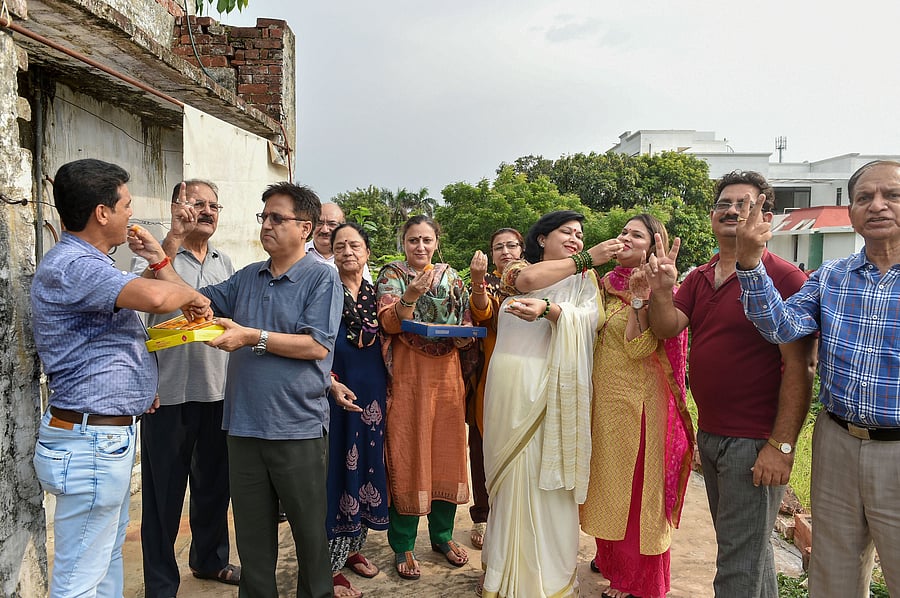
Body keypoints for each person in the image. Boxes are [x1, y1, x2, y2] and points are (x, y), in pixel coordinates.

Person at [148, 181, 343, 598]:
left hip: (296, 427)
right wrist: (163, 257)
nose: (267, 225)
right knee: (253, 541)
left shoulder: (321, 279)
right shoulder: (247, 277)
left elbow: (316, 345)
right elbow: (194, 300)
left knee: (309, 536)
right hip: (243, 426)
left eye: (278, 217)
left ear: (305, 228)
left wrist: (252, 337)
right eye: (264, 217)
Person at [30, 159, 211, 597]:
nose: (133, 214)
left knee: (106, 560)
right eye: (127, 204)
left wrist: (161, 254)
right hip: (91, 440)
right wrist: (190, 292)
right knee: (78, 579)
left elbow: (127, 296)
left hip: (100, 435)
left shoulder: (90, 265)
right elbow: (151, 296)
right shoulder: (75, 265)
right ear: (102, 213)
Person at [646, 170, 817, 598]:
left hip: (754, 440)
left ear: (766, 217)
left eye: (745, 204)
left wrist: (781, 445)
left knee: (736, 569)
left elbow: (801, 367)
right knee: (748, 556)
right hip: (713, 433)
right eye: (725, 203)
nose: (733, 210)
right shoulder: (701, 277)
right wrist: (663, 291)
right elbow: (667, 328)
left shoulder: (785, 278)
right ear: (711, 215)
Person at [734, 160, 900, 598]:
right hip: (838, 441)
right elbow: (782, 328)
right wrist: (750, 263)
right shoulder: (832, 276)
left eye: (892, 195)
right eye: (864, 198)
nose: (877, 206)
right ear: (851, 212)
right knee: (833, 576)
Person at [480, 210, 621, 598]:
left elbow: (592, 321)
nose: (576, 239)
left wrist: (553, 311)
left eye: (580, 235)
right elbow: (526, 283)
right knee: (512, 476)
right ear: (542, 239)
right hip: (513, 380)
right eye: (567, 233)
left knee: (550, 473)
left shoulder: (585, 282)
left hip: (558, 387)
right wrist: (587, 256)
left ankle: (545, 578)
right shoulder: (518, 268)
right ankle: (502, 573)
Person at [580, 214, 694, 598]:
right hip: (606, 404)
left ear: (653, 246)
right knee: (609, 484)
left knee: (636, 491)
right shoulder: (605, 282)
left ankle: (635, 579)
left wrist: (642, 298)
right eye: (623, 231)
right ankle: (611, 561)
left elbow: (639, 346)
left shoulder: (658, 289)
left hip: (641, 406)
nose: (625, 237)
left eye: (637, 234)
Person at [134, 179, 239, 596]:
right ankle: (161, 584)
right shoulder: (153, 252)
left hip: (218, 392)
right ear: (177, 206)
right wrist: (172, 240)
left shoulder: (224, 262)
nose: (208, 212)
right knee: (164, 498)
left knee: (215, 487)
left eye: (215, 205)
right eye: (198, 203)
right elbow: (140, 296)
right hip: (168, 394)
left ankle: (210, 560)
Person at [375, 215, 472, 581]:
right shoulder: (393, 275)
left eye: (426, 240)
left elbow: (464, 323)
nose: (420, 247)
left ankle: (443, 536)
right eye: (413, 240)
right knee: (408, 450)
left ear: (436, 243)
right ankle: (403, 543)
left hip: (446, 373)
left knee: (446, 452)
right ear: (404, 243)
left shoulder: (451, 276)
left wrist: (466, 332)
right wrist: (412, 294)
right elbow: (387, 322)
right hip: (409, 373)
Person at [325, 223, 389, 598]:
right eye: (340, 246)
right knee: (336, 470)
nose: (348, 251)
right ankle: (328, 565)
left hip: (374, 394)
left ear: (366, 253)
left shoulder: (377, 294)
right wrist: (329, 382)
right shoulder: (325, 290)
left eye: (355, 246)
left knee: (366, 465)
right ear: (331, 252)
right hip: (337, 391)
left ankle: (353, 548)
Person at [466, 228, 524, 551]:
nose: (504, 251)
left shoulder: (534, 280)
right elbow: (483, 311)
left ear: (523, 249)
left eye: (510, 245)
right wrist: (477, 281)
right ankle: (483, 515)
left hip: (526, 378)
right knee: (482, 448)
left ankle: (515, 514)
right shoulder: (486, 284)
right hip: (490, 379)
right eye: (497, 247)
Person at [305, 202, 372, 282]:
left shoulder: (352, 257)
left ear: (342, 227)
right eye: (319, 223)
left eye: (332, 224)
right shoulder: (299, 253)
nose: (324, 230)